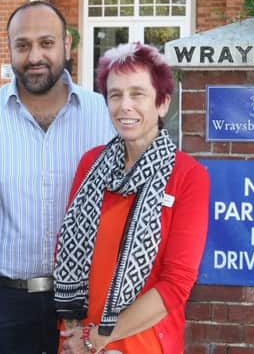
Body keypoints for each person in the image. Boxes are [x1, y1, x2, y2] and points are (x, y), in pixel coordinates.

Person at [0, 0, 115, 354]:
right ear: (10, 50)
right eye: (22, 45)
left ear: (67, 44)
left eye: (46, 43)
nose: (34, 55)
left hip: (84, 307)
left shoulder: (105, 116)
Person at [54, 42, 210, 354]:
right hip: (78, 339)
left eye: (138, 94)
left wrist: (97, 338)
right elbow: (66, 248)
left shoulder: (187, 176)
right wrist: (76, 335)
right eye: (115, 95)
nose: (125, 105)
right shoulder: (91, 164)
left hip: (142, 342)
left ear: (162, 103)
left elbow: (176, 285)